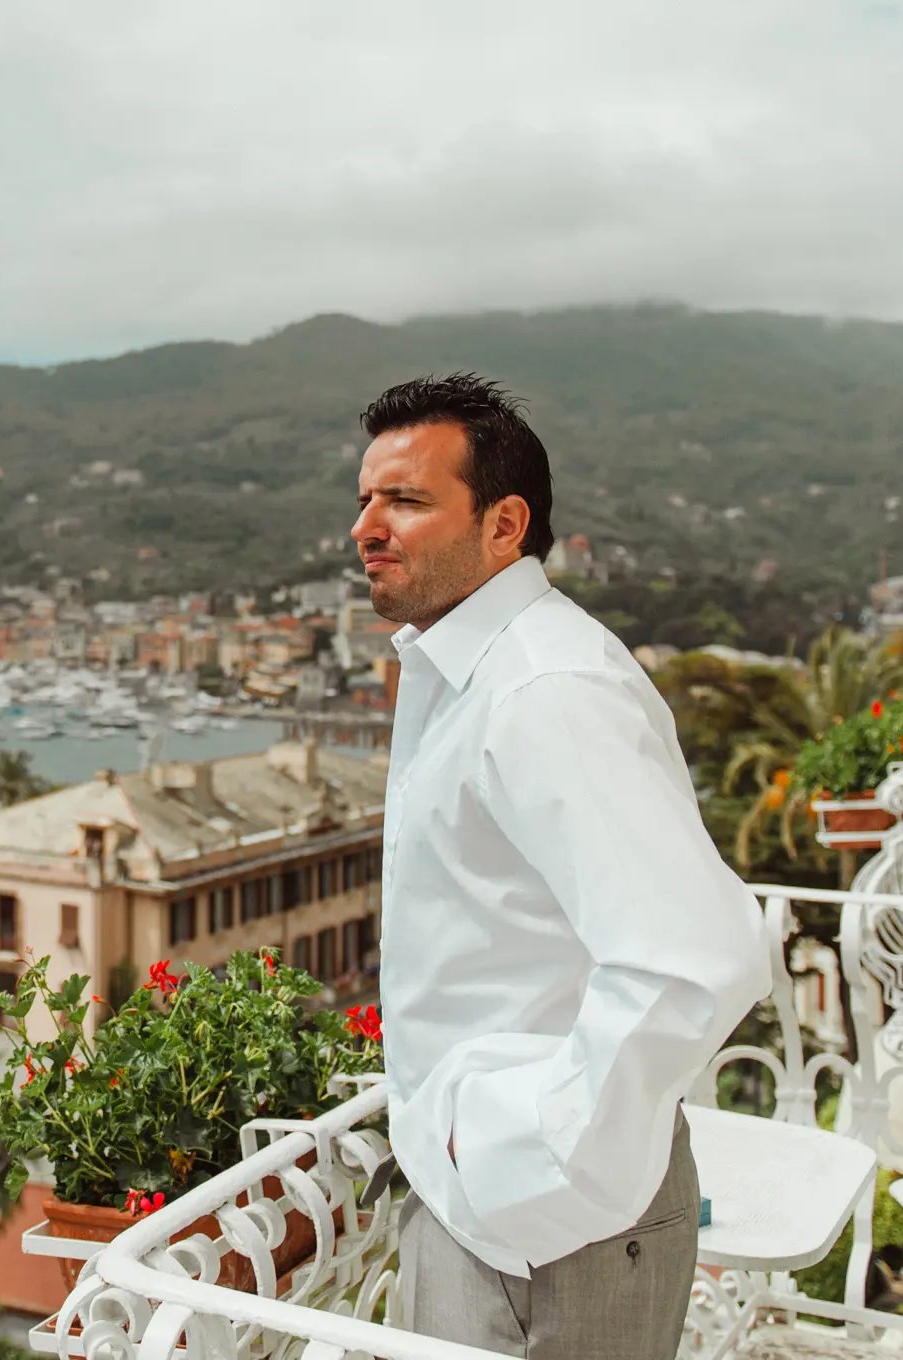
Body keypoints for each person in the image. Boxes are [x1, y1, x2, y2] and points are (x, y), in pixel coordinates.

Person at [352, 373, 766, 1360]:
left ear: (504, 524)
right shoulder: (467, 671)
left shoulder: (544, 689)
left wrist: (535, 1166)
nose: (367, 525)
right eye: (364, 498)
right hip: (489, 1198)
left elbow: (697, 955)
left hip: (545, 1226)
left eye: (404, 499)